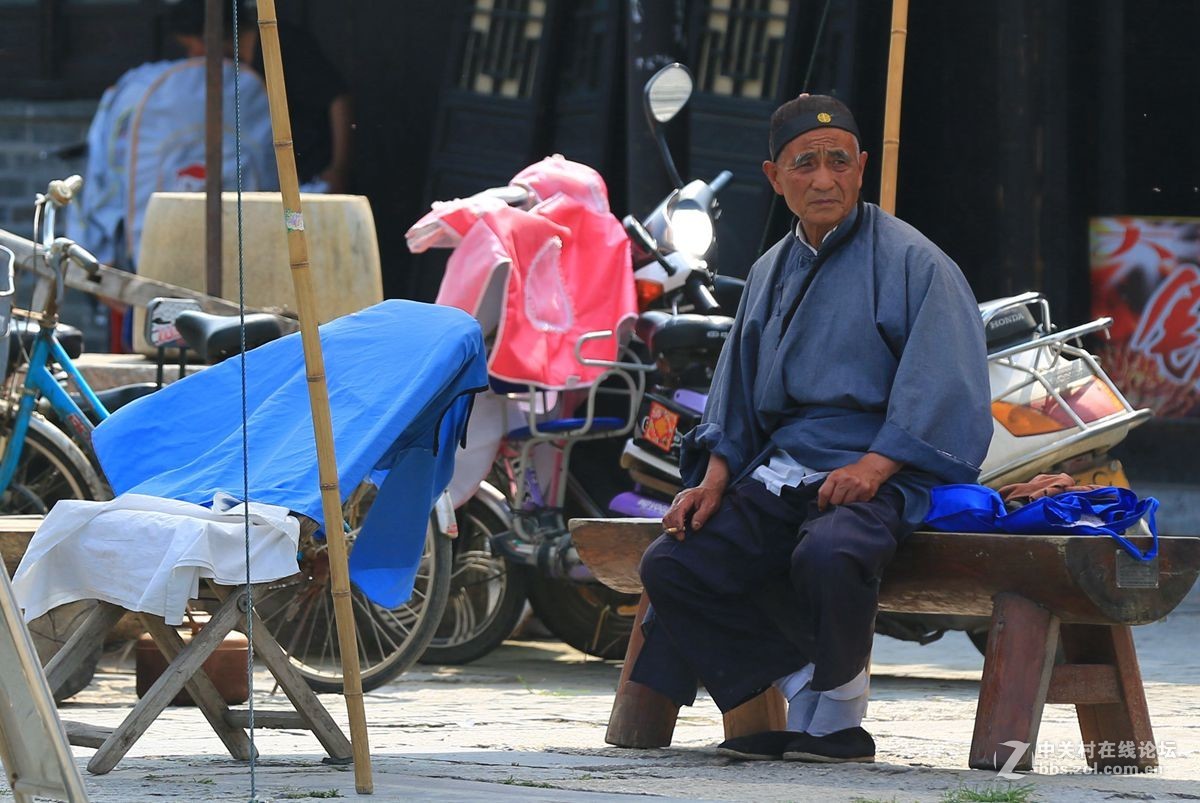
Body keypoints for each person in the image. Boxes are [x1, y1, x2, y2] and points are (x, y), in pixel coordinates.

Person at [628, 93, 993, 763]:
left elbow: (946, 380)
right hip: (782, 466)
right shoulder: (769, 269)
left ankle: (841, 720)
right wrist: (713, 479)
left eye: (838, 161)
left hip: (883, 469)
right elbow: (737, 394)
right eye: (805, 164)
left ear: (861, 167)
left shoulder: (916, 262)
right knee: (675, 562)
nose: (824, 179)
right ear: (775, 177)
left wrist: (875, 466)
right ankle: (801, 684)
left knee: (830, 552)